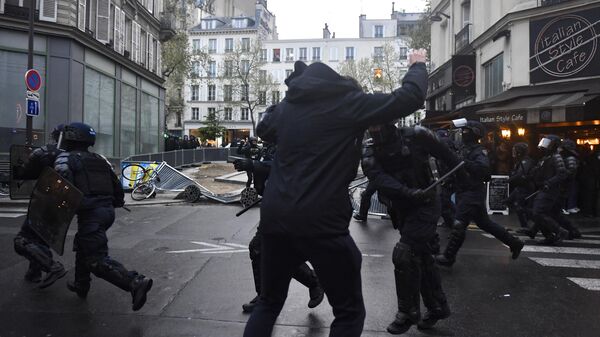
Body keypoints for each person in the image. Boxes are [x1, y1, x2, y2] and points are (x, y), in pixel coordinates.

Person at [243, 49, 429, 337]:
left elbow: (265, 127)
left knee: (268, 303)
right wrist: (417, 66)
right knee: (348, 311)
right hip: (322, 222)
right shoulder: (348, 104)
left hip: (276, 218)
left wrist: (292, 90)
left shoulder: (287, 108)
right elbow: (409, 98)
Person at [362, 124, 460, 334]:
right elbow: (378, 178)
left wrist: (461, 174)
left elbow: (448, 156)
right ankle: (437, 307)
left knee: (404, 254)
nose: (375, 131)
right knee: (422, 257)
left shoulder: (416, 135)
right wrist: (406, 192)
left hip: (426, 204)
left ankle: (408, 312)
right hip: (402, 206)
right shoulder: (370, 149)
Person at [54, 122, 153, 311]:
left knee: (95, 259)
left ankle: (134, 282)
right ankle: (81, 284)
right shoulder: (99, 159)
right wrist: (114, 202)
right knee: (83, 243)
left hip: (91, 213)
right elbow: (117, 186)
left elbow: (62, 188)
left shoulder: (65, 159)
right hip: (107, 211)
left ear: (70, 137)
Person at [233, 134, 324, 314]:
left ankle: (309, 283)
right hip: (274, 208)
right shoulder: (268, 147)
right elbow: (265, 177)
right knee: (264, 251)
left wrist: (253, 165)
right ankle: (266, 296)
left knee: (270, 252)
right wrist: (250, 166)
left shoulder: (292, 143)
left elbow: (282, 168)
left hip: (290, 209)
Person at [435, 119, 524, 267]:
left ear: (474, 133)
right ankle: (514, 243)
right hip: (465, 191)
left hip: (472, 192)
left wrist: (464, 163)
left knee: (459, 224)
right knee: (485, 223)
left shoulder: (478, 151)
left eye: (466, 131)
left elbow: (483, 169)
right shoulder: (464, 148)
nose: (463, 133)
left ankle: (448, 256)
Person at [13, 124, 67, 288]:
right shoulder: (82, 157)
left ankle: (52, 267)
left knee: (22, 240)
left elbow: (25, 171)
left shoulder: (46, 152)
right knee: (41, 236)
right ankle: (34, 272)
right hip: (64, 205)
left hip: (45, 200)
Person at [520, 135, 569, 244]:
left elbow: (562, 174)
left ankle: (560, 231)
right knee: (540, 213)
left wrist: (549, 183)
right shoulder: (546, 157)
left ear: (553, 145)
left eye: (547, 143)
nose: (544, 145)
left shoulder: (556, 157)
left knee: (538, 213)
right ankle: (547, 235)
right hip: (544, 188)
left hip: (550, 190)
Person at [507, 142, 535, 229]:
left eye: (515, 150)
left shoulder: (526, 161)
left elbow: (520, 174)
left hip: (525, 187)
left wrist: (509, 180)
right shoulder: (520, 161)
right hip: (519, 187)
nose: (513, 152)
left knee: (520, 207)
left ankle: (528, 224)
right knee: (508, 202)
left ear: (520, 151)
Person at [435, 128, 457, 228]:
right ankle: (453, 222)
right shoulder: (451, 145)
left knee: (444, 201)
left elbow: (446, 165)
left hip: (448, 178)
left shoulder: (442, 145)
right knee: (445, 201)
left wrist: (446, 179)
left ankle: (453, 223)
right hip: (450, 178)